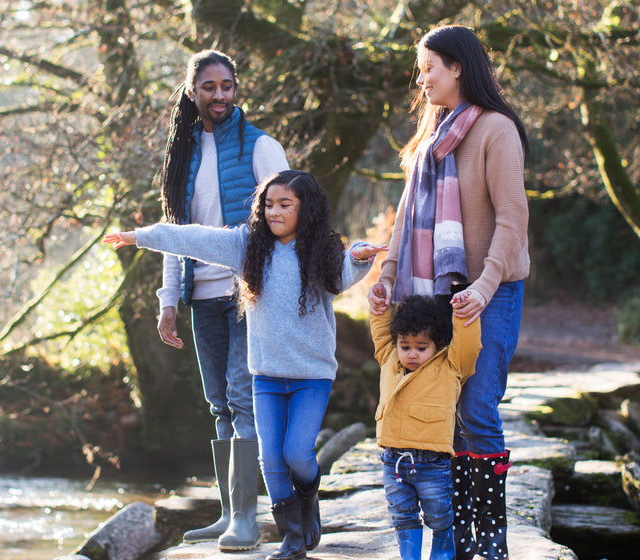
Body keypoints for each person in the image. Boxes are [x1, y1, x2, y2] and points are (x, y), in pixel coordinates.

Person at [106, 170, 385, 560]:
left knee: (297, 455)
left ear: (306, 209)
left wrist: (357, 257)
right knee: (269, 458)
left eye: (285, 205)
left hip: (311, 376)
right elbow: (191, 237)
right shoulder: (246, 247)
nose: (274, 212)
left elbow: (341, 276)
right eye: (268, 204)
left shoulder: (320, 251)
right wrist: (140, 237)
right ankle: (291, 539)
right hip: (266, 376)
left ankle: (308, 498)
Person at [368, 25, 532, 560]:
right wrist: (389, 275)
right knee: (446, 411)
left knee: (477, 409)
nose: (422, 80)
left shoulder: (496, 130)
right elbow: (403, 222)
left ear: (457, 67)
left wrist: (485, 286)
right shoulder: (429, 138)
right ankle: (454, 540)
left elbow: (512, 218)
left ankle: (489, 543)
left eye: (428, 68)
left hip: (493, 291)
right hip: (433, 295)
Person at [156, 49, 290, 551]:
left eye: (227, 86)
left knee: (240, 398)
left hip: (247, 296)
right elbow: (175, 235)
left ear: (237, 89)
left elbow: (291, 219)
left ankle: (247, 521)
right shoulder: (181, 156)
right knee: (218, 405)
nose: (219, 95)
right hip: (201, 298)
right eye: (208, 87)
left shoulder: (262, 148)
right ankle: (229, 512)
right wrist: (169, 299)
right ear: (192, 93)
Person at [369, 294, 481, 560]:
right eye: (405, 346)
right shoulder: (389, 359)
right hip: (393, 462)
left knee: (439, 514)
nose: (412, 354)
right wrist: (379, 307)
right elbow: (381, 333)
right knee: (401, 514)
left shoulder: (450, 365)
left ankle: (442, 553)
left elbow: (468, 346)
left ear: (437, 345)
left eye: (421, 347)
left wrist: (463, 313)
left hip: (432, 464)